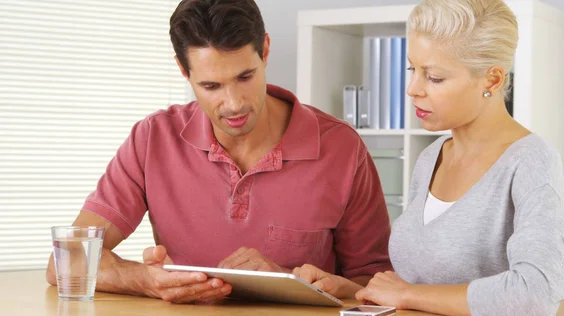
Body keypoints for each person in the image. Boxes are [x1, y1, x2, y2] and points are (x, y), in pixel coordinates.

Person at [45, 0, 393, 304]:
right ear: (184, 72)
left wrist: (288, 283)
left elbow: (375, 285)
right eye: (211, 86)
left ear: (266, 50)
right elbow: (66, 261)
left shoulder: (342, 148)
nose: (234, 103)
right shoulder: (152, 139)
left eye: (245, 76)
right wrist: (145, 281)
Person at [293, 0, 564, 315]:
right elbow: (416, 288)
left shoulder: (531, 161)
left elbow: (536, 293)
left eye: (434, 77)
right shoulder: (431, 157)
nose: (412, 89)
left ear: (492, 80)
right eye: (413, 69)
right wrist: (353, 289)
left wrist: (408, 295)